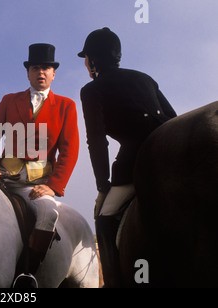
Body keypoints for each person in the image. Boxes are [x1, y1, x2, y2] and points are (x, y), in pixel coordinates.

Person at [78, 27, 177, 287]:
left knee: (105, 217)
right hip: (172, 154)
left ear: (94, 59)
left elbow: (96, 141)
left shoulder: (91, 90)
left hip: (139, 162)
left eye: (86, 58)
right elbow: (173, 119)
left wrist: (102, 185)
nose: (86, 64)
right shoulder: (145, 78)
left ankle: (113, 282)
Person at [0, 43, 79, 287]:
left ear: (54, 73)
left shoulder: (67, 106)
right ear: (28, 73)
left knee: (49, 212)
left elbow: (70, 150)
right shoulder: (9, 100)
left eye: (46, 68)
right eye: (36, 68)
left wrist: (54, 186)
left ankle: (27, 274)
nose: (41, 72)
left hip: (37, 185)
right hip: (2, 179)